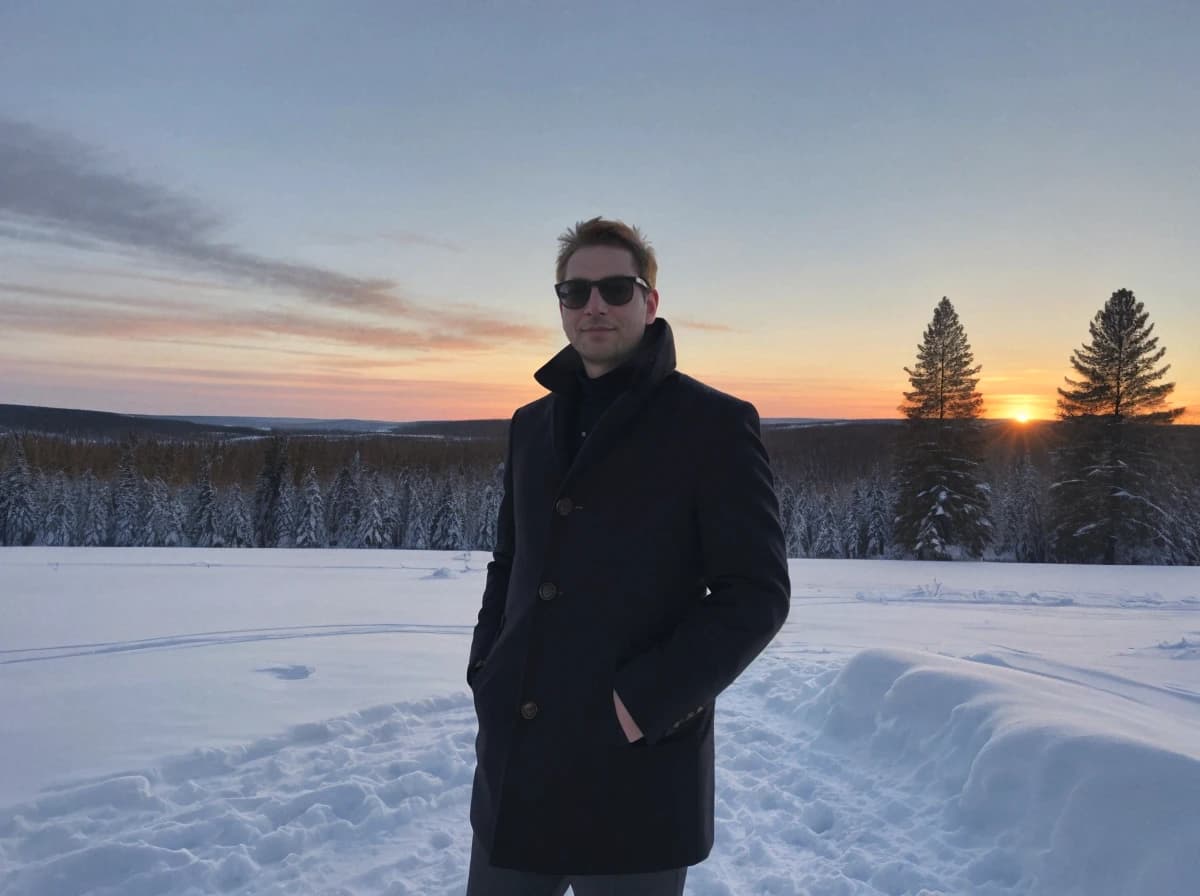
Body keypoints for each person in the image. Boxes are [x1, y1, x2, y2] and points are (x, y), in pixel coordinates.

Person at [465, 217, 790, 895]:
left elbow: (755, 593)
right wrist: (486, 669)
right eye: (575, 291)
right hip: (518, 768)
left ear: (650, 300)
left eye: (615, 288)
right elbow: (510, 562)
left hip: (632, 772)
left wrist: (642, 705)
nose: (594, 306)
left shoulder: (713, 425)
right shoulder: (530, 426)